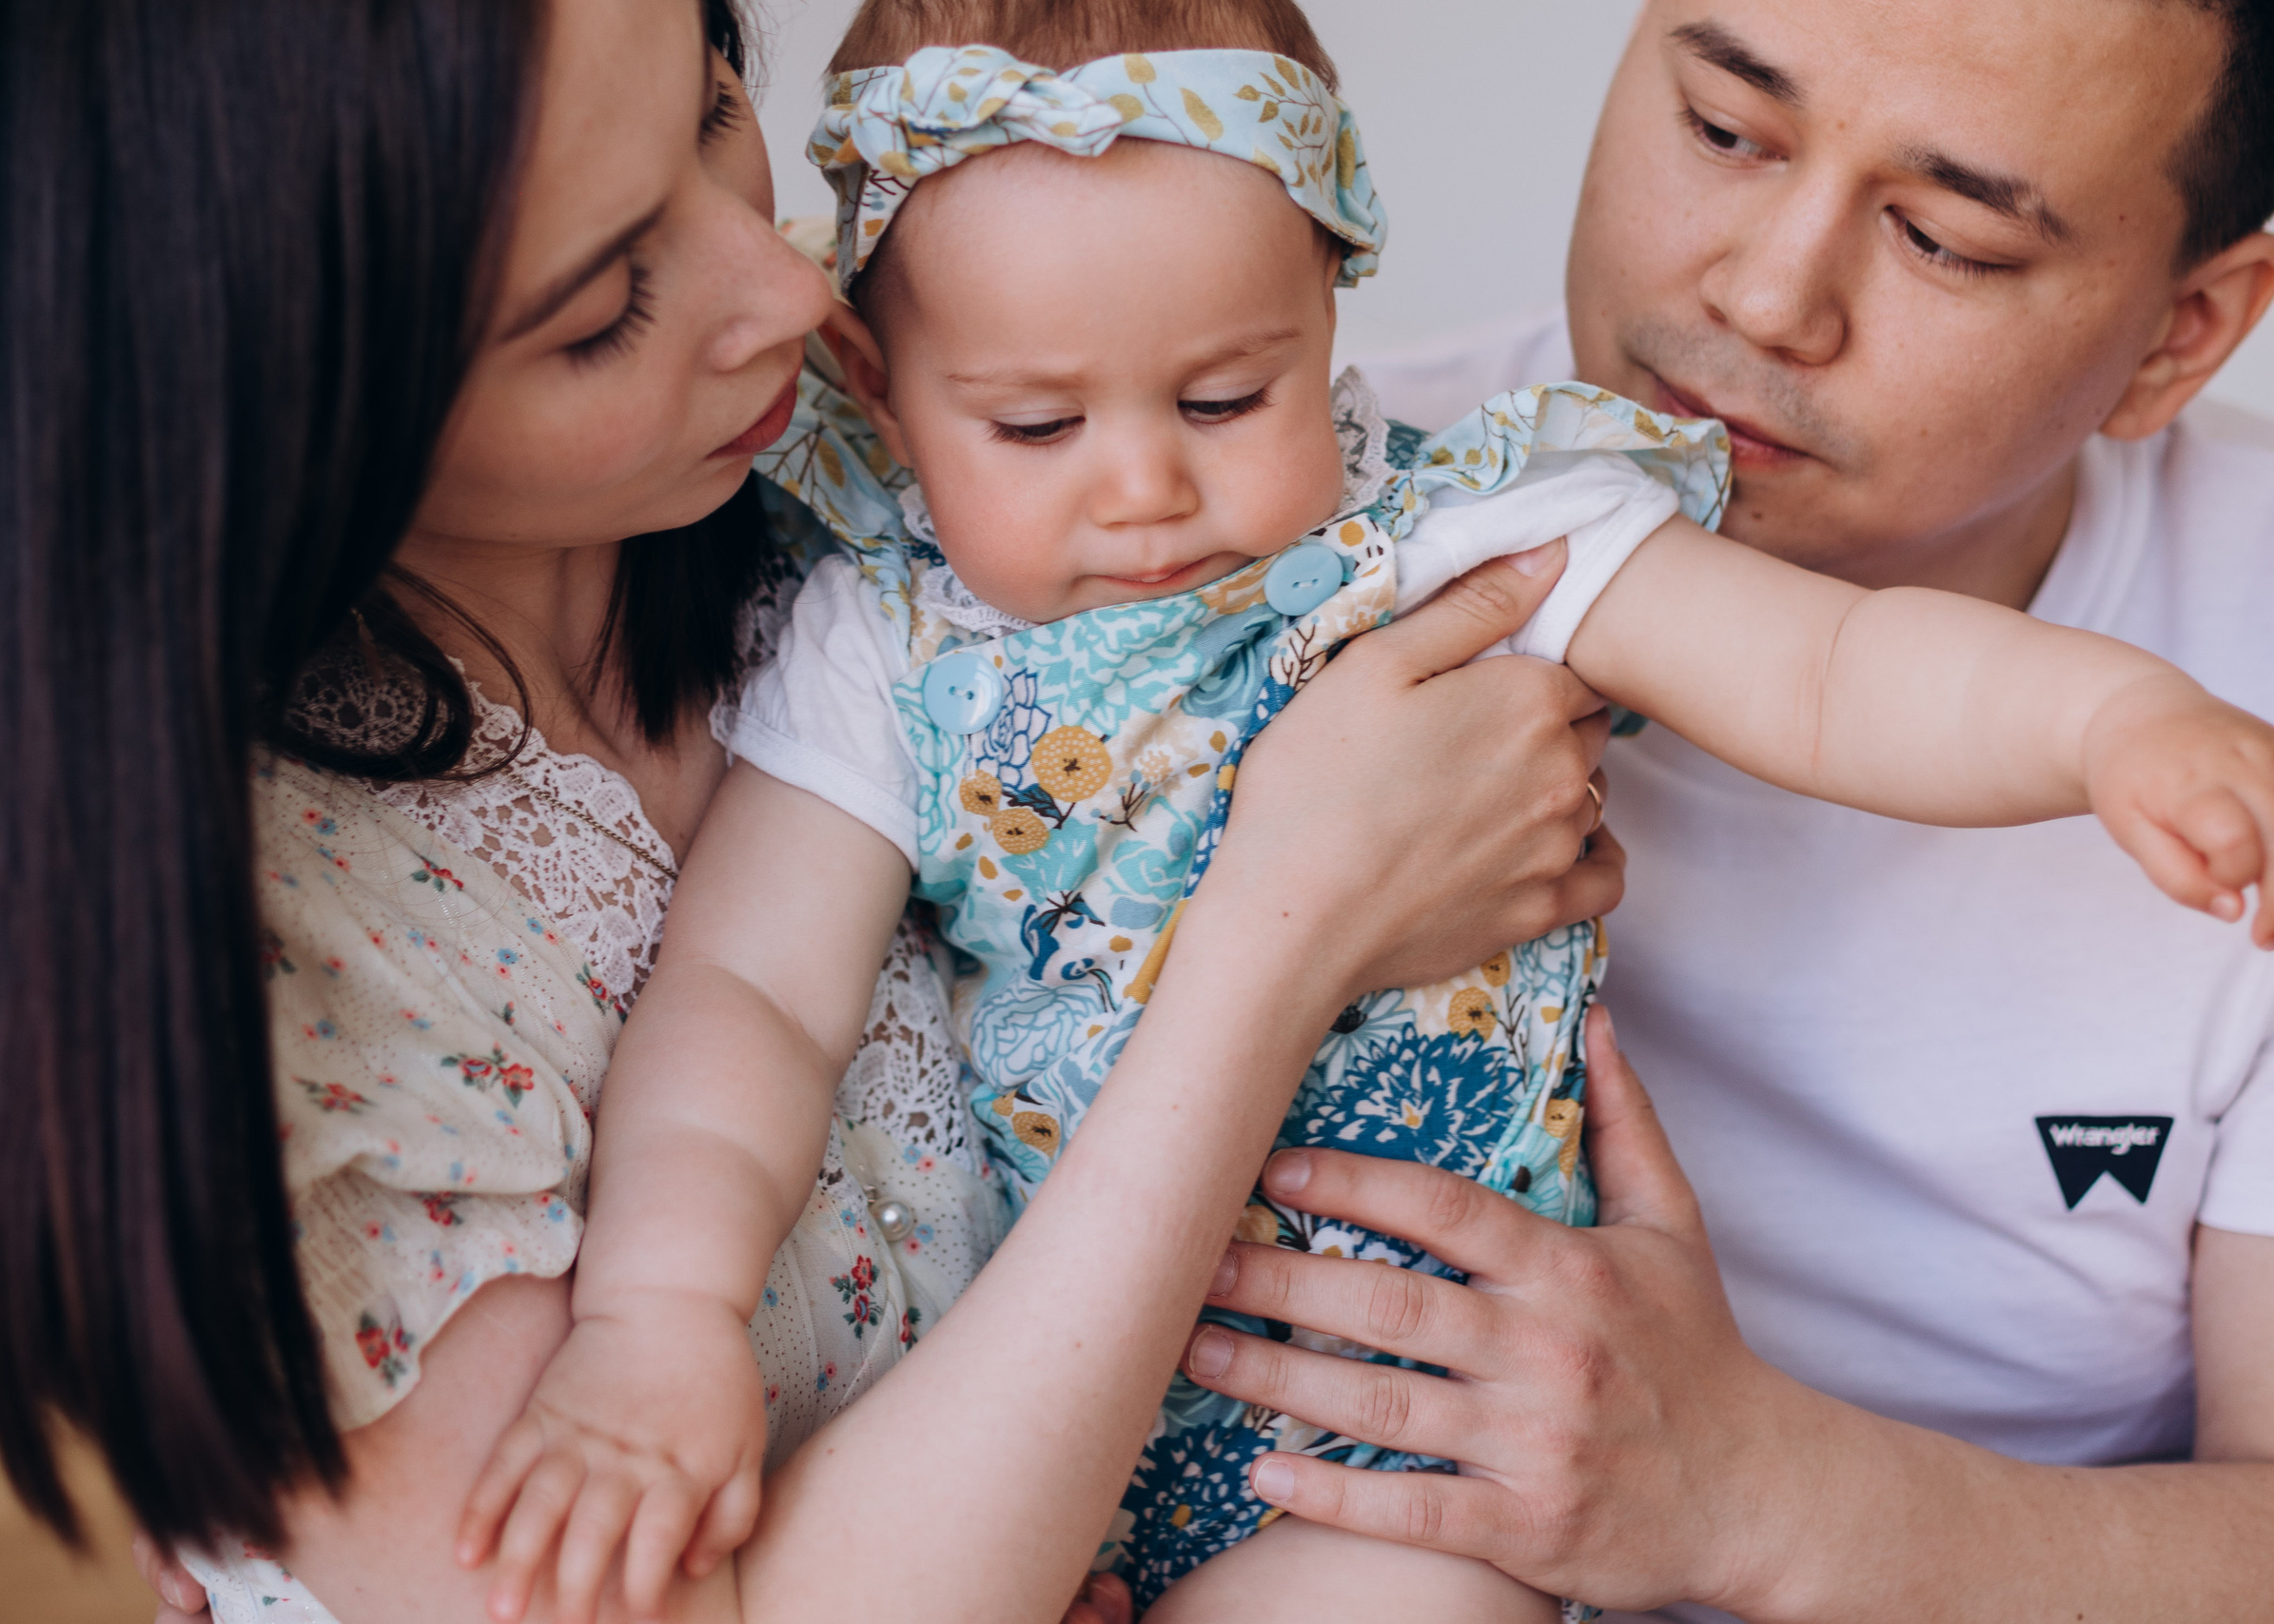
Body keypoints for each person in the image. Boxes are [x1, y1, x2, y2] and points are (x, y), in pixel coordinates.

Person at [447, 5, 2274, 1621]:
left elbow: (1829, 676)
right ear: (883, 392)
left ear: (1329, 309)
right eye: (1722, 128)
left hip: (1393, 1482)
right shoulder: (881, 625)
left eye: (1230, 393)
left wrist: (2120, 725)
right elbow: (750, 998)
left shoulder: (1459, 522)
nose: (1150, 488)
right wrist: (657, 1323)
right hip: (1037, 1406)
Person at [0, 1, 1625, 1621]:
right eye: (605, 305)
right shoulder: (245, 994)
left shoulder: (851, 477)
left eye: (711, 108)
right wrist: (1284, 938)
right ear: (264, 413)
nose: (786, 291)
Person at [1173, 1, 2274, 1618]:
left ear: (2181, 333)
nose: (1762, 296)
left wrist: (1771, 1497)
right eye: (1724, 131)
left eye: (1944, 237)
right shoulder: (1249, 533)